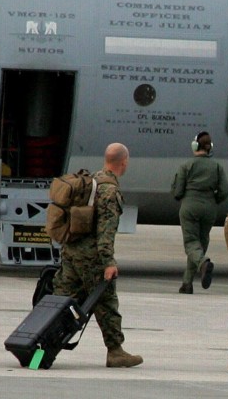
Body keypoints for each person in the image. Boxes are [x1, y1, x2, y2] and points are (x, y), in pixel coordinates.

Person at [52, 143, 143, 368]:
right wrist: (108, 262)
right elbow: (106, 232)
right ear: (124, 162)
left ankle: (40, 340)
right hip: (91, 257)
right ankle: (115, 351)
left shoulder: (91, 181)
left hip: (71, 251)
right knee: (106, 302)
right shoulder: (110, 190)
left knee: (61, 300)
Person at [171, 131, 228, 294]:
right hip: (209, 207)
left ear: (195, 146)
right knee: (201, 243)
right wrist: (213, 199)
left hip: (190, 205)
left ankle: (203, 263)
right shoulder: (217, 167)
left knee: (191, 243)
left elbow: (177, 191)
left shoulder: (186, 165)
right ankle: (187, 283)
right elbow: (225, 190)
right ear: (210, 148)